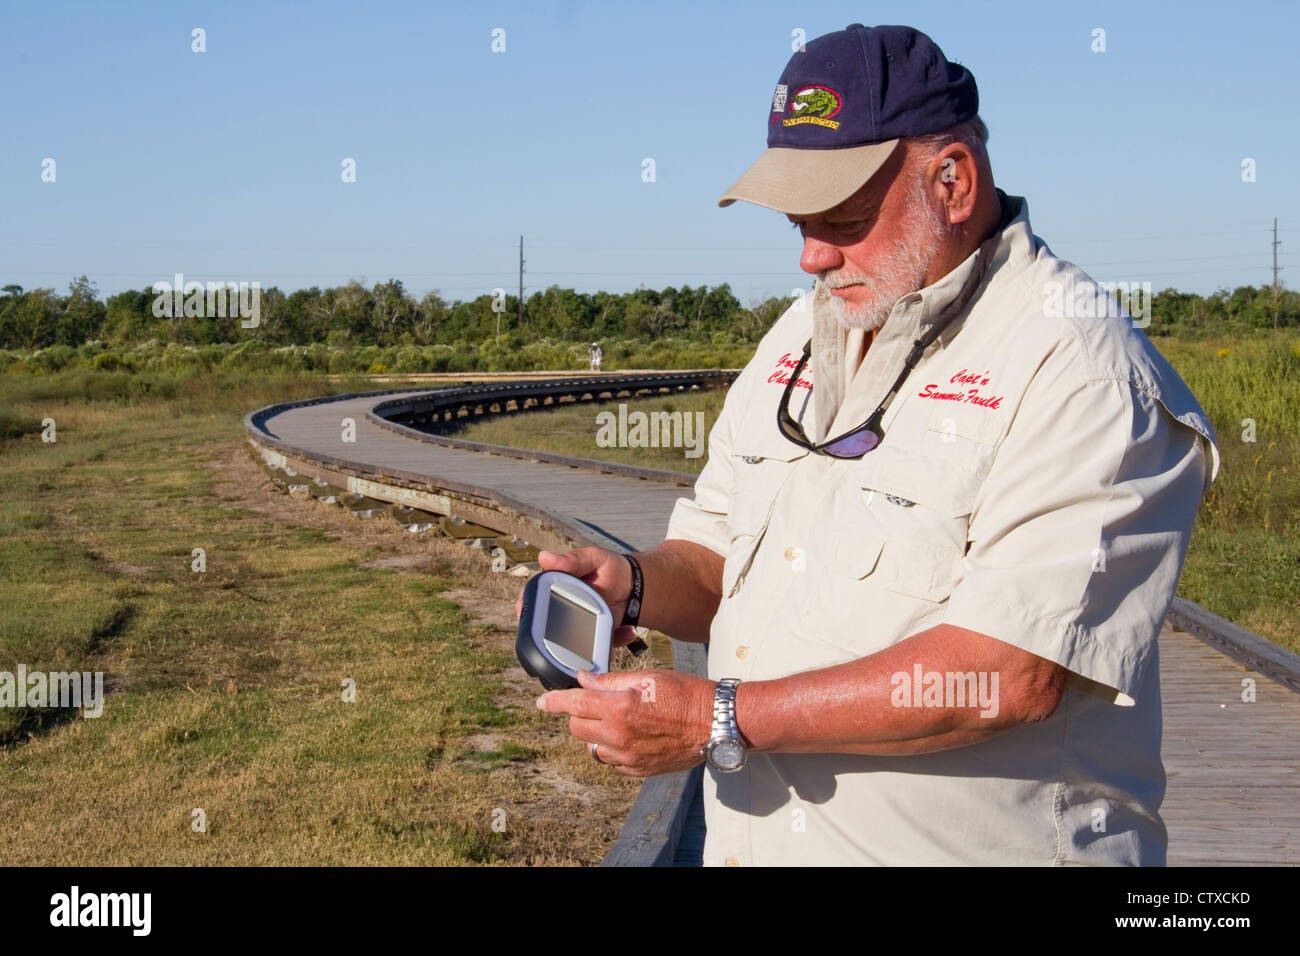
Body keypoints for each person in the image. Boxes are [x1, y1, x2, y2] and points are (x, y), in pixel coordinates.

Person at [525, 24, 1220, 865]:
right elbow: (717, 555)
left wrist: (717, 716)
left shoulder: (1080, 369)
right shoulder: (805, 332)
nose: (815, 255)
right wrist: (635, 584)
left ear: (953, 181)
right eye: (799, 225)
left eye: (846, 219)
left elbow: (1006, 673)